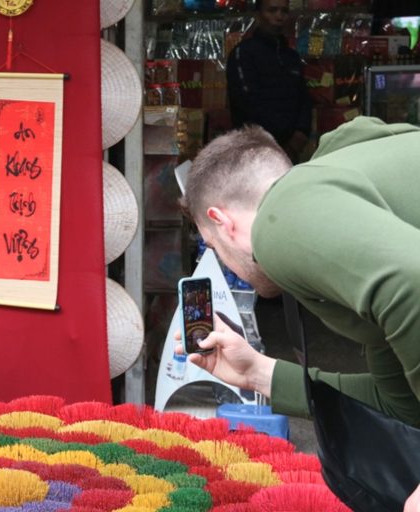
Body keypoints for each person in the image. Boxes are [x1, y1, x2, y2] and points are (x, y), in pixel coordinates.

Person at [177, 115, 420, 507]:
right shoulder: (346, 196)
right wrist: (258, 373)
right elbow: (403, 406)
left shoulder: (278, 220)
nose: (223, 261)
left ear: (222, 222)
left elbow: (414, 283)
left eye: (212, 246)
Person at [226, 0, 312, 163]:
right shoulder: (243, 53)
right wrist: (279, 142)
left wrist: (299, 136)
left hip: (291, 151)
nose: (279, 16)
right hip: (254, 151)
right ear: (258, 15)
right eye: (272, 10)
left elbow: (304, 100)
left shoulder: (291, 57)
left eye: (284, 11)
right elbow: (247, 103)